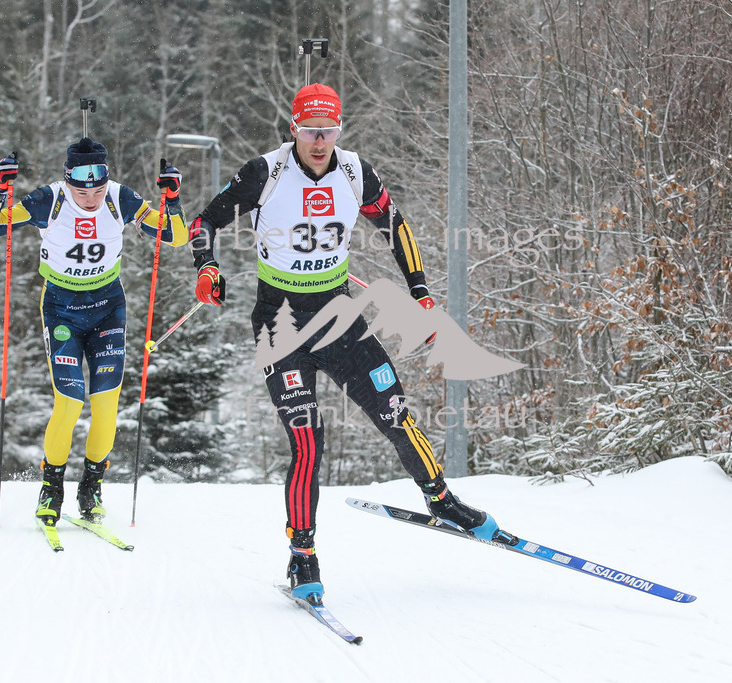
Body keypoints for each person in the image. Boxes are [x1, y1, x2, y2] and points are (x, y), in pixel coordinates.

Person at [188, 83, 500, 601]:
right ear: (294, 129)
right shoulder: (265, 172)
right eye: (309, 131)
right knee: (309, 441)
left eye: (328, 131)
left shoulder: (355, 171)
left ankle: (440, 499)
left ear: (339, 130)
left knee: (394, 409)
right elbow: (204, 221)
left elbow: (394, 225)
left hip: (339, 317)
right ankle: (302, 554)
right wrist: (208, 266)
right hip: (279, 324)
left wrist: (420, 291)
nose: (319, 140)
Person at [0, 138, 188, 526]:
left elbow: (175, 236)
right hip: (61, 311)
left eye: (97, 188)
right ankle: (51, 489)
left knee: (106, 402)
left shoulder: (120, 199)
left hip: (108, 308)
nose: (90, 197)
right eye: (81, 189)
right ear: (67, 180)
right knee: (69, 402)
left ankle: (91, 489)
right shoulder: (49, 201)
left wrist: (172, 201)